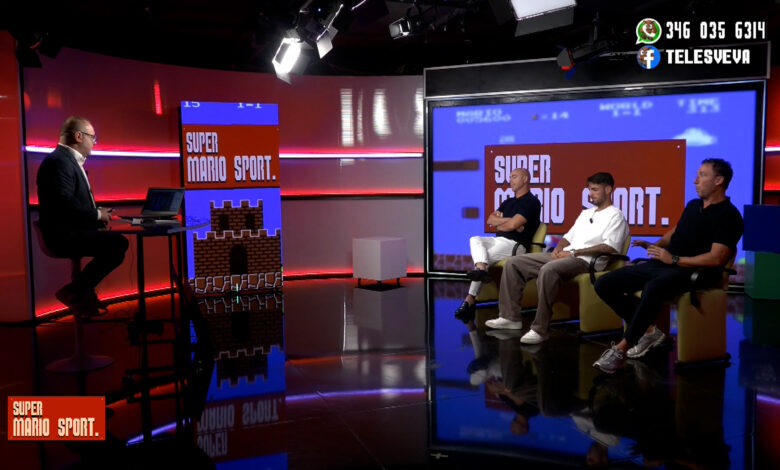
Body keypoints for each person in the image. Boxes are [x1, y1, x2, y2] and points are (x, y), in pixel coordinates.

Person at [592, 159, 744, 374]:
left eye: (702, 175)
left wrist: (673, 259)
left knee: (654, 286)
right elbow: (676, 231)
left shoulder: (730, 216)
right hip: (667, 264)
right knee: (605, 283)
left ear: (719, 180)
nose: (695, 181)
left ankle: (621, 349)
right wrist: (656, 245)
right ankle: (649, 332)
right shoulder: (693, 206)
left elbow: (716, 259)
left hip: (696, 272)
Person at [487, 172, 629, 346]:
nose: (590, 194)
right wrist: (559, 248)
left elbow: (608, 247)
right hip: (567, 255)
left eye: (595, 190)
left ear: (608, 190)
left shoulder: (616, 215)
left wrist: (574, 253)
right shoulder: (586, 213)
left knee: (548, 270)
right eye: (589, 190)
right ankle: (509, 317)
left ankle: (540, 329)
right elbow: (567, 237)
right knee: (514, 262)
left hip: (587, 261)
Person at [36, 116, 129, 313]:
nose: (94, 143)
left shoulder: (65, 161)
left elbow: (70, 202)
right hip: (63, 236)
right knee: (118, 244)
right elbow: (64, 204)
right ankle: (74, 291)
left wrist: (98, 215)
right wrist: (96, 216)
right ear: (79, 136)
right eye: (92, 138)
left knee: (116, 243)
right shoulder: (59, 162)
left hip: (71, 230)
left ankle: (82, 293)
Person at [454, 168, 541, 319]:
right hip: (499, 241)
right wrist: (510, 222)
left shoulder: (531, 202)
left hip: (516, 244)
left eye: (514, 176)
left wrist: (504, 223)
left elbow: (511, 225)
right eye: (510, 177)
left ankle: (469, 300)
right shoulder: (508, 202)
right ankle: (481, 270)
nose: (510, 180)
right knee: (474, 239)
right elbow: (490, 220)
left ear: (525, 179)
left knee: (485, 256)